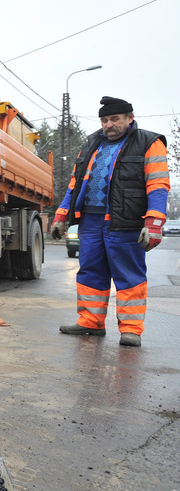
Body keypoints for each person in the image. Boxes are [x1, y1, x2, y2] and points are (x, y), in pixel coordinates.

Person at [50, 96, 170, 347]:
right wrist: (61, 215)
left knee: (129, 274)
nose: (109, 125)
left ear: (130, 118)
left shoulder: (150, 142)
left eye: (114, 119)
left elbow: (158, 185)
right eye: (104, 120)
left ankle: (131, 329)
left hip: (125, 221)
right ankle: (90, 322)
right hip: (91, 222)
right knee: (90, 272)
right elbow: (75, 184)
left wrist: (154, 223)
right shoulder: (93, 142)